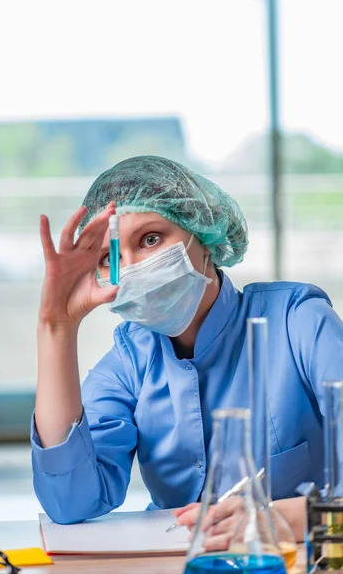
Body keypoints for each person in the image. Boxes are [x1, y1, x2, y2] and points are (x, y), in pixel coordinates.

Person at [31, 155, 343, 547]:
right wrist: (56, 327)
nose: (131, 269)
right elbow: (69, 501)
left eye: (150, 239)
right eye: (110, 257)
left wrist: (281, 519)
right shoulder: (130, 360)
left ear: (204, 235)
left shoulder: (298, 322)